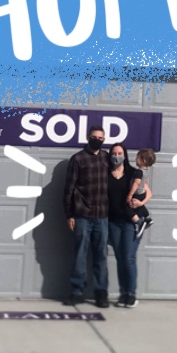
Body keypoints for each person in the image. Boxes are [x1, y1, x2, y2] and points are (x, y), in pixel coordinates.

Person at [63, 125, 110, 308]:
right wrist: (69, 214)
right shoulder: (78, 159)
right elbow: (69, 188)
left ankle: (101, 293)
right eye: (94, 136)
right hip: (82, 215)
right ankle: (77, 292)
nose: (97, 139)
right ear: (88, 137)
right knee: (80, 255)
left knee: (101, 256)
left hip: (103, 216)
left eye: (101, 137)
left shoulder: (107, 158)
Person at [106, 143, 140, 308]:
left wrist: (141, 201)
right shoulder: (105, 174)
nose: (117, 156)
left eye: (120, 153)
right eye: (114, 153)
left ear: (125, 155)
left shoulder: (133, 173)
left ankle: (131, 293)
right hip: (113, 222)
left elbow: (146, 191)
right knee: (120, 258)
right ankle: (124, 294)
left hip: (130, 222)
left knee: (129, 258)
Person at [129, 148, 156, 242]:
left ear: (142, 160)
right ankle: (148, 217)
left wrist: (130, 194)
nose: (136, 159)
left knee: (128, 207)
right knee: (140, 206)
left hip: (137, 193)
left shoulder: (138, 172)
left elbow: (136, 183)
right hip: (143, 193)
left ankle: (139, 223)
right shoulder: (146, 172)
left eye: (137, 158)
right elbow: (145, 183)